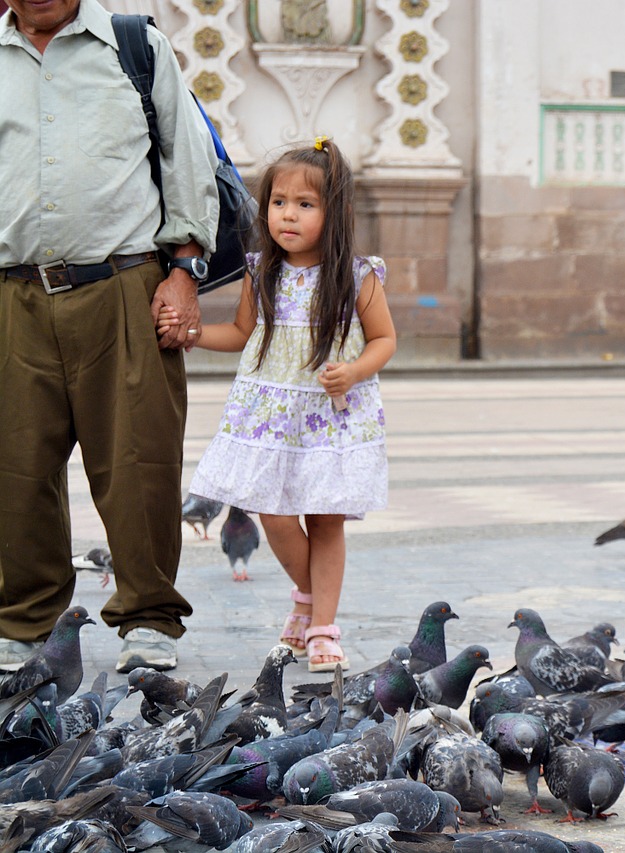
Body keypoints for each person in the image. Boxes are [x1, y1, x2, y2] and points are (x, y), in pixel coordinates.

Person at [0, 0, 218, 673]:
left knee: (139, 459)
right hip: (13, 291)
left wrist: (183, 270)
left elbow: (187, 156)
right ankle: (24, 621)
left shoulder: (134, 46)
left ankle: (149, 617)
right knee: (15, 466)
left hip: (124, 283)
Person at [165, 138, 396, 673]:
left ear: (333, 212)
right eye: (278, 202)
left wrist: (355, 371)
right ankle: (308, 598)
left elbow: (385, 339)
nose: (287, 214)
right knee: (272, 512)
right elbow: (244, 332)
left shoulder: (357, 277)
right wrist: (194, 334)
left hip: (331, 417)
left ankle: (321, 629)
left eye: (305, 204)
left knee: (326, 521)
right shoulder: (260, 270)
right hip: (269, 416)